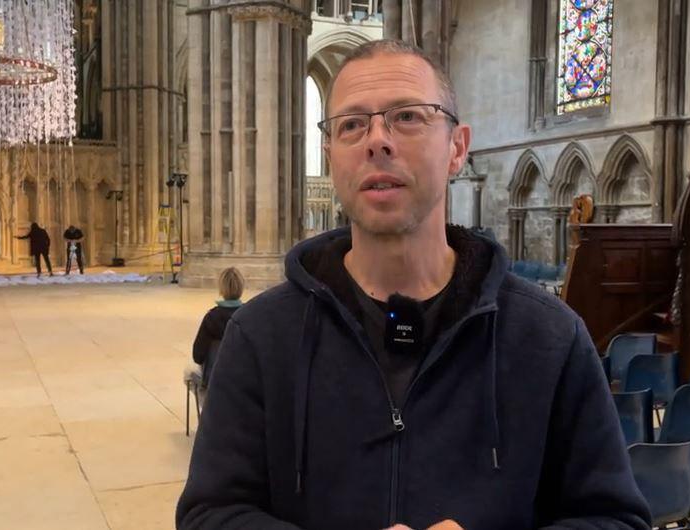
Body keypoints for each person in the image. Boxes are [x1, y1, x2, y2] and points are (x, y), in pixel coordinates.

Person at [177, 40, 650, 530]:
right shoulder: (260, 335)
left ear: (457, 147)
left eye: (407, 117)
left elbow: (614, 519)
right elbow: (209, 514)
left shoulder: (551, 338)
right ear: (331, 156)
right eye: (352, 124)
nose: (377, 140)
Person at [191, 267, 245, 388]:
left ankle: (207, 405)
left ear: (221, 289)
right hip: (244, 379)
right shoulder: (250, 315)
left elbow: (197, 356)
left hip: (215, 380)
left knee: (188, 375)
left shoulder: (211, 317)